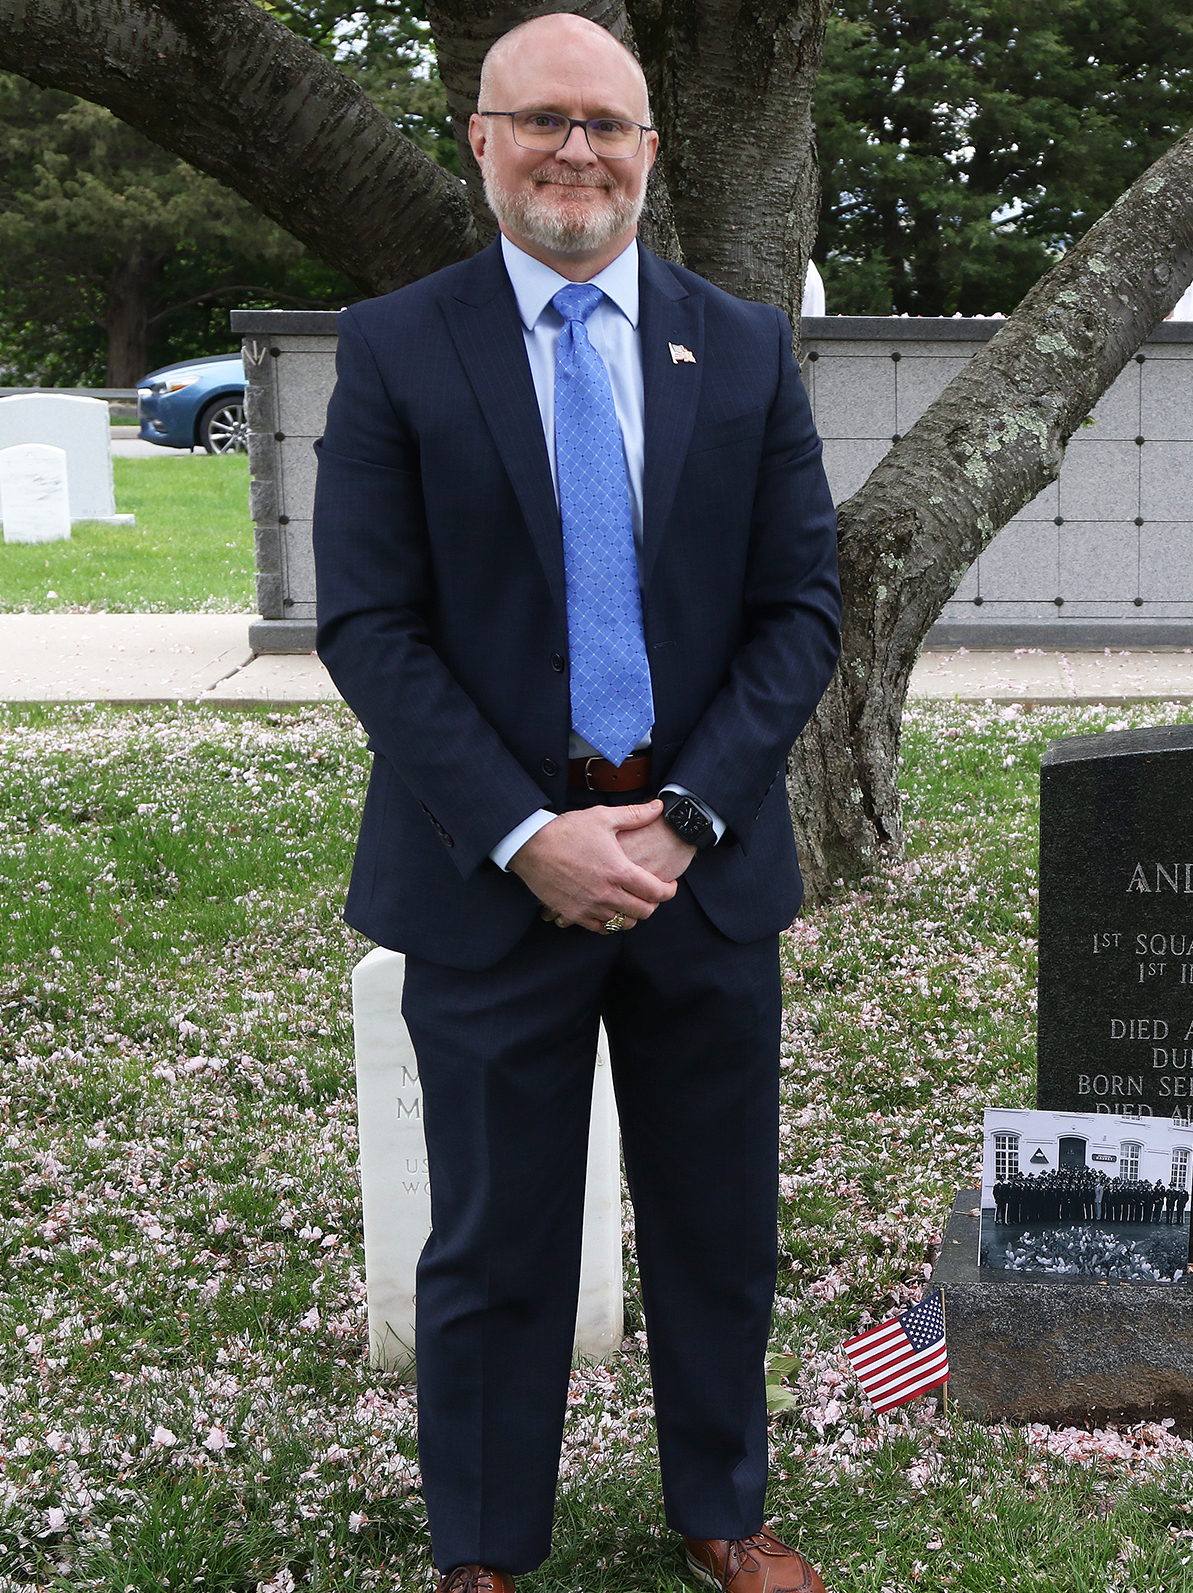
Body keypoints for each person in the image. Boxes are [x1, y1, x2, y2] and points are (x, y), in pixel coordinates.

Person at [310, 16, 842, 1593]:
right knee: (491, 1244)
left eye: (608, 123)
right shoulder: (401, 344)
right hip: (490, 877)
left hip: (699, 870)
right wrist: (528, 837)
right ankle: (483, 1552)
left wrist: (682, 817)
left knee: (717, 1227)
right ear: (480, 139)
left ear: (650, 152)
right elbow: (371, 627)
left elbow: (800, 610)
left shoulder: (739, 347)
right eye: (542, 118)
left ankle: (722, 1513)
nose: (576, 150)